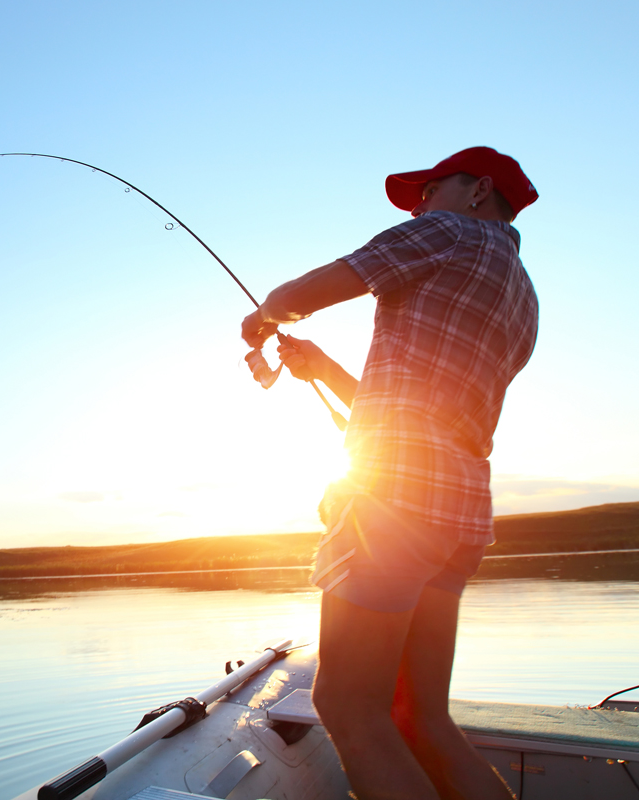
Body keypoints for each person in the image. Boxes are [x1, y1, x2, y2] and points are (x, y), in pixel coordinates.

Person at [240, 147, 539, 800]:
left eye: (430, 190)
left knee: (349, 707)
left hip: (394, 507)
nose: (419, 204)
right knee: (421, 717)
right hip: (458, 517)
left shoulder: (448, 231)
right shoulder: (524, 295)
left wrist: (264, 316)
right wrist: (321, 370)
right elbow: (424, 410)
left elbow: (299, 297)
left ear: (478, 190)